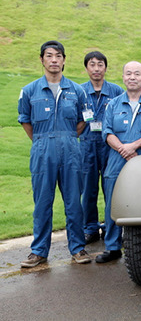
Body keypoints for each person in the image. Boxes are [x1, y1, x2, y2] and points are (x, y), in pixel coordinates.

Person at [17, 40, 91, 267]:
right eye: (49, 56)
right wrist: (42, 140)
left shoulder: (77, 90)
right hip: (42, 150)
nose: (54, 60)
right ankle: (38, 251)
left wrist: (67, 136)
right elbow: (25, 121)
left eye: (58, 56)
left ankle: (78, 248)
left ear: (64, 60)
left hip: (71, 150)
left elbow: (84, 121)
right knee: (42, 202)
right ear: (42, 60)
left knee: (73, 203)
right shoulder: (29, 91)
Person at [96, 61, 141, 263]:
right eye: (128, 74)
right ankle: (113, 247)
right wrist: (123, 149)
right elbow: (107, 132)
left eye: (136, 74)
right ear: (123, 78)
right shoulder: (112, 105)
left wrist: (133, 146)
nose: (132, 77)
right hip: (116, 159)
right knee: (112, 203)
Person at [80, 51, 124, 244]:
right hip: (87, 145)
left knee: (111, 188)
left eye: (100, 64)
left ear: (106, 68)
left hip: (110, 146)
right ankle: (89, 227)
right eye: (92, 64)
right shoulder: (78, 91)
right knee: (88, 188)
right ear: (86, 68)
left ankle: (111, 227)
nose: (96, 69)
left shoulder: (116, 91)